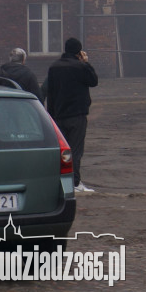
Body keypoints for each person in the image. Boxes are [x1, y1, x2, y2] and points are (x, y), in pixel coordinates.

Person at [43, 37, 98, 193]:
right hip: (77, 114)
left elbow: (50, 92)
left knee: (62, 150)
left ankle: (60, 181)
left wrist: (51, 114)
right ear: (79, 51)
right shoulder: (80, 67)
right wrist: (86, 62)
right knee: (76, 150)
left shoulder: (54, 67)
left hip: (58, 115)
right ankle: (74, 183)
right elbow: (93, 81)